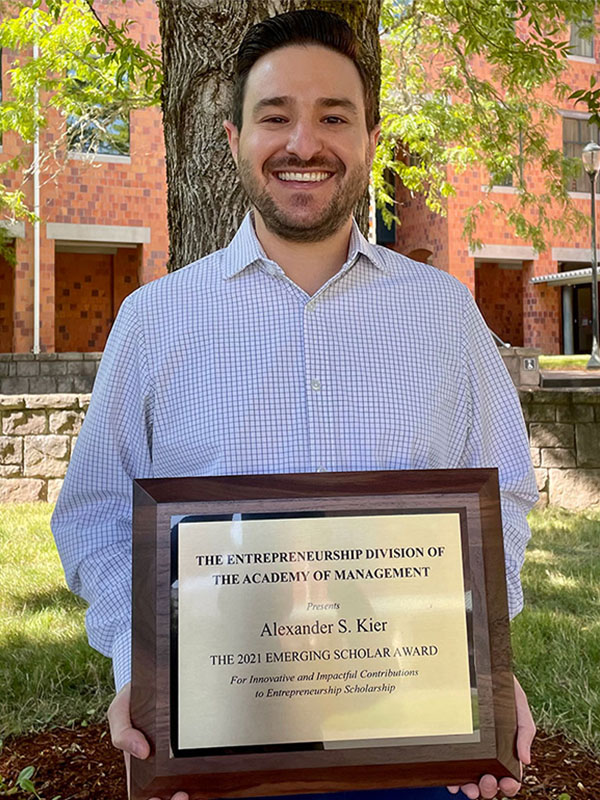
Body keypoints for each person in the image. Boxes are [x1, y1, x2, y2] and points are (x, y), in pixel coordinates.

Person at [51, 9, 537, 800]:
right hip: (214, 748)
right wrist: (146, 674)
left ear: (369, 137)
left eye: (333, 117)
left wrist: (487, 657)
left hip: (415, 739)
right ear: (234, 135)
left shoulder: (445, 315)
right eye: (275, 117)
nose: (303, 144)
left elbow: (506, 492)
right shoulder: (155, 320)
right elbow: (96, 516)